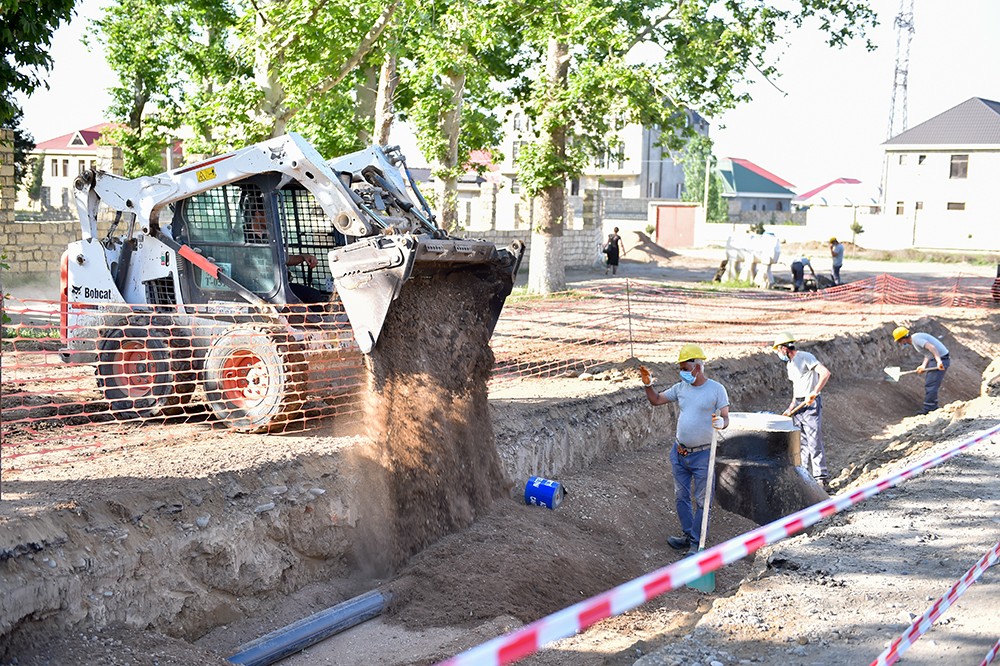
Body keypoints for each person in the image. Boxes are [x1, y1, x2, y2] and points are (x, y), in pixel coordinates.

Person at [639, 345, 730, 555]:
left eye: (685, 367)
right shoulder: (680, 388)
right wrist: (648, 385)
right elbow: (656, 400)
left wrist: (721, 423)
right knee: (681, 497)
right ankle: (689, 536)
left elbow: (725, 417)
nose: (683, 372)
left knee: (702, 500)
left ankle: (698, 544)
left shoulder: (716, 390)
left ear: (698, 366)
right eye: (680, 368)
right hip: (680, 453)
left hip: (704, 454)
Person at [772, 332, 832, 489]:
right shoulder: (790, 365)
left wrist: (814, 392)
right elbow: (796, 389)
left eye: (778, 350)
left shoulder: (805, 356)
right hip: (798, 404)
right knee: (802, 442)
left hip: (811, 404)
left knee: (814, 440)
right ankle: (804, 477)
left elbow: (825, 373)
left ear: (784, 348)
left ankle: (822, 478)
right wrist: (790, 408)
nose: (778, 354)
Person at [242, 191, 323, 302]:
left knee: (313, 293)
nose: (272, 220)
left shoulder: (267, 236)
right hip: (264, 287)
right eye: (268, 214)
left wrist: (304, 257)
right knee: (312, 295)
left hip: (278, 283)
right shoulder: (244, 238)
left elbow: (283, 259)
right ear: (257, 215)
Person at [892, 326, 950, 414]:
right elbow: (928, 353)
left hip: (941, 359)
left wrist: (939, 361)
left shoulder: (916, 339)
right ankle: (931, 406)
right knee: (930, 383)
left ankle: (930, 408)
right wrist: (923, 366)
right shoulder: (915, 339)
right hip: (937, 358)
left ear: (903, 339)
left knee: (931, 384)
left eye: (899, 341)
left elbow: (932, 348)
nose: (900, 343)